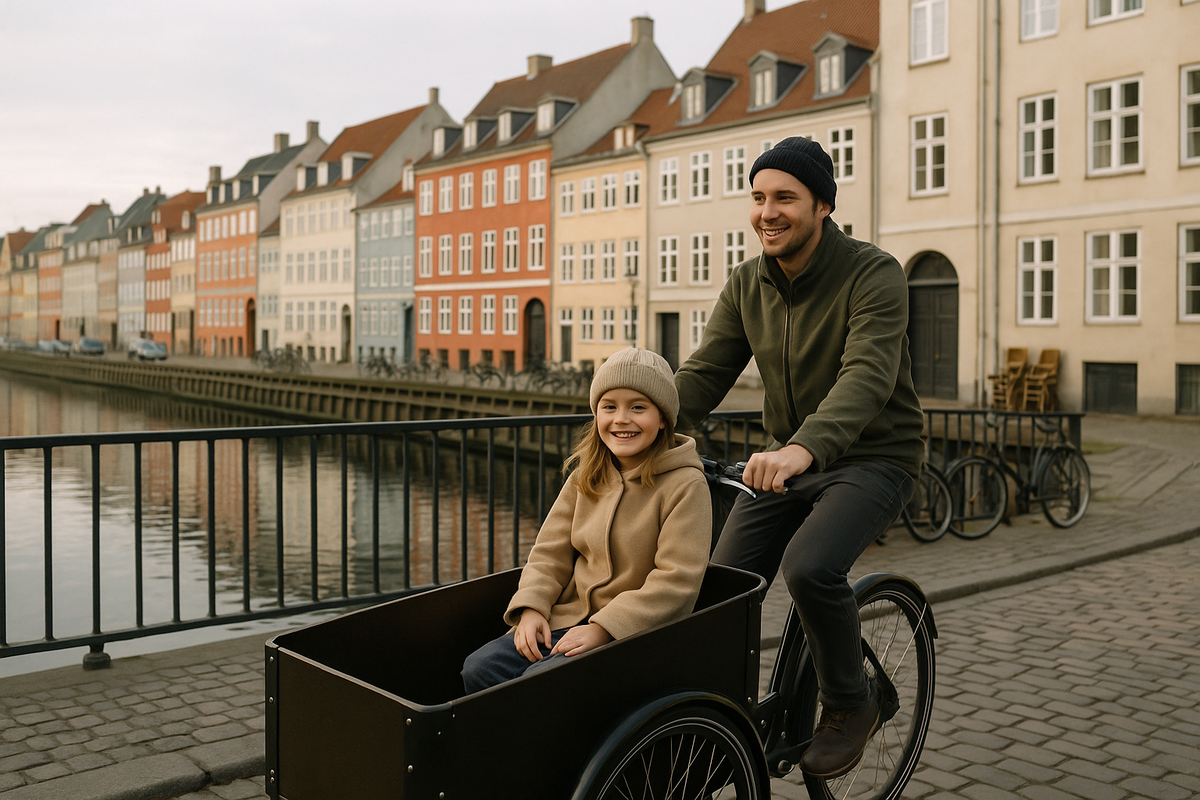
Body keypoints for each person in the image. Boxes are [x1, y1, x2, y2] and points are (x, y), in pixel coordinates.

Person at [674, 136, 924, 778]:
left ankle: (850, 702)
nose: (768, 212)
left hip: (874, 458)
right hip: (788, 462)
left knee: (810, 568)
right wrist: (635, 422)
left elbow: (867, 375)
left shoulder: (873, 273)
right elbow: (705, 374)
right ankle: (716, 716)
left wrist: (801, 448)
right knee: (721, 588)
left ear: (822, 206)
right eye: (758, 197)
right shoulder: (746, 282)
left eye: (785, 197)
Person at [462, 347, 712, 693]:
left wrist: (604, 628)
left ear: (663, 418)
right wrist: (533, 607)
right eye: (609, 407)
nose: (621, 419)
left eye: (638, 407)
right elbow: (549, 553)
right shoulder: (587, 475)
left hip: (631, 633)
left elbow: (676, 581)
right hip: (566, 618)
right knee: (480, 669)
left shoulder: (685, 485)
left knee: (537, 685)